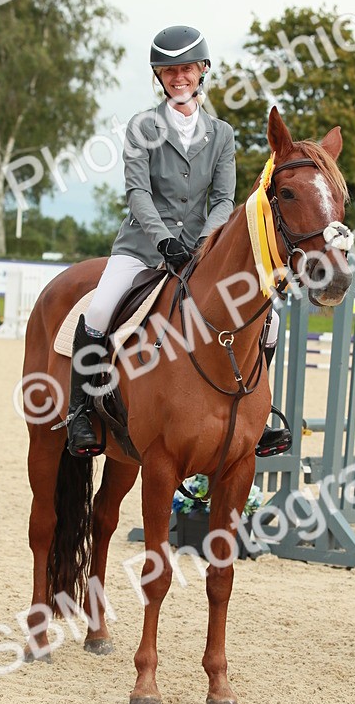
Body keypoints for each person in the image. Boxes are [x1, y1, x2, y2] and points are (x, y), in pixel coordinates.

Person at [66, 24, 286, 458]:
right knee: (100, 308)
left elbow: (224, 198)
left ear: (202, 70)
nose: (178, 77)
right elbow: (138, 192)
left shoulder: (221, 133)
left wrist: (206, 243)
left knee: (272, 320)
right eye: (168, 71)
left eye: (186, 68)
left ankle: (254, 412)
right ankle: (81, 412)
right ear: (158, 77)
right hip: (142, 248)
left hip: (202, 253)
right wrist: (165, 241)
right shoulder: (141, 126)